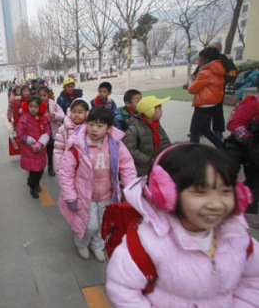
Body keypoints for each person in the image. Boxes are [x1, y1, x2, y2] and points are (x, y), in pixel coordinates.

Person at [107, 143, 259, 307]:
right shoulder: (147, 244)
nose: (216, 204)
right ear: (165, 194)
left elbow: (253, 279)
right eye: (200, 192)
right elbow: (123, 291)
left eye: (225, 191)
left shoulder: (238, 236)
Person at [58, 107, 137, 262]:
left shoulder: (115, 144)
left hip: (108, 195)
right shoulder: (77, 145)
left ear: (109, 128)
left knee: (102, 224)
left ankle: (98, 246)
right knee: (89, 225)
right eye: (91, 124)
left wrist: (131, 190)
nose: (94, 129)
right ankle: (82, 243)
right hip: (85, 196)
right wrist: (70, 196)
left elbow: (127, 166)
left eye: (100, 126)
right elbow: (66, 172)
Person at [225, 91, 259, 226]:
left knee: (255, 181)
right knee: (228, 174)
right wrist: (247, 139)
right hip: (241, 146)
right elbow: (234, 122)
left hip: (254, 148)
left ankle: (246, 204)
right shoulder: (253, 102)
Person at [183, 47, 225, 149]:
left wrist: (190, 84)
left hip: (204, 105)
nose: (199, 60)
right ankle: (223, 147)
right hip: (213, 104)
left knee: (194, 131)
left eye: (200, 58)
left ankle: (194, 154)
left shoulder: (206, 72)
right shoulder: (218, 70)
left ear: (207, 59)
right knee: (206, 130)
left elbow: (192, 89)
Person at [123, 96, 172, 176]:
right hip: (140, 171)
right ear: (150, 111)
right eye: (159, 109)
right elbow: (130, 150)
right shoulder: (134, 128)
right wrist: (149, 160)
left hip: (156, 167)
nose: (161, 111)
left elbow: (165, 142)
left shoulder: (156, 126)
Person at [17, 96, 51, 199]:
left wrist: (41, 142)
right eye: (31, 106)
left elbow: (47, 131)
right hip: (29, 150)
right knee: (33, 170)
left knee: (40, 169)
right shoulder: (23, 119)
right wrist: (31, 142)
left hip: (41, 149)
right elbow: (20, 134)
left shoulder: (44, 118)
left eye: (35, 107)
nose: (33, 109)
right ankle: (33, 186)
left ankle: (35, 182)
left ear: (40, 107)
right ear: (27, 106)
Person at [53, 99, 90, 172]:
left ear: (87, 113)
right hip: (67, 166)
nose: (76, 115)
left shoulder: (90, 129)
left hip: (85, 167)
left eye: (80, 112)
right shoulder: (63, 129)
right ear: (69, 113)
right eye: (74, 112)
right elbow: (58, 149)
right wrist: (59, 166)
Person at [37, 86, 65, 176]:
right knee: (41, 151)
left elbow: (63, 116)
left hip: (52, 133)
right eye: (40, 96)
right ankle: (40, 167)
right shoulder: (36, 105)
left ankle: (50, 167)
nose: (42, 98)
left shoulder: (53, 105)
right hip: (40, 133)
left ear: (48, 95)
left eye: (44, 95)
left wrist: (54, 115)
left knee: (50, 150)